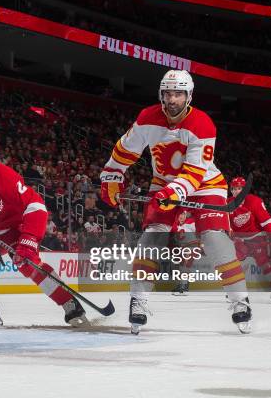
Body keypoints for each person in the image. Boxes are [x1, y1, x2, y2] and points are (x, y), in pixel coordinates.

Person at [100, 69, 252, 334]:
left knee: (214, 238)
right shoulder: (147, 117)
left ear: (188, 96)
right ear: (161, 94)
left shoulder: (203, 124)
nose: (172, 99)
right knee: (152, 237)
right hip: (163, 183)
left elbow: (194, 173)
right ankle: (138, 301)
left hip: (205, 184)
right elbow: (125, 149)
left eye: (178, 94)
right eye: (168, 93)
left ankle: (240, 301)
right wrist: (112, 176)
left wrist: (174, 193)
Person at [0, 161, 88, 328]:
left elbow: (35, 204)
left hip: (14, 228)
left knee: (28, 265)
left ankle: (69, 303)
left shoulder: (0, 175)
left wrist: (29, 239)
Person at [228, 176, 271, 302]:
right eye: (234, 189)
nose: (237, 191)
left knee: (264, 262)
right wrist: (233, 238)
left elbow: (266, 221)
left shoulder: (254, 201)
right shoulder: (228, 204)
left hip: (257, 238)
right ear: (231, 190)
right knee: (233, 262)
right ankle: (236, 292)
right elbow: (227, 225)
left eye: (240, 188)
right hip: (240, 239)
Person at [170, 210, 199, 296]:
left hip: (191, 246)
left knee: (184, 265)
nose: (181, 216)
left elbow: (199, 229)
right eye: (180, 214)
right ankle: (182, 284)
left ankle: (183, 285)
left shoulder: (191, 222)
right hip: (182, 247)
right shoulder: (175, 226)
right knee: (179, 266)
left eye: (183, 214)